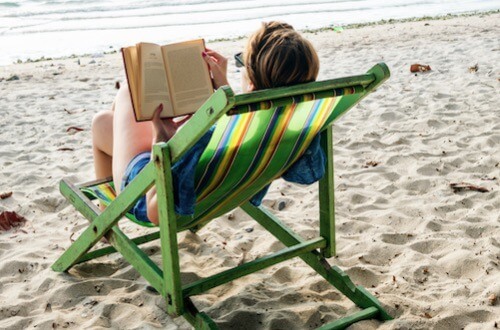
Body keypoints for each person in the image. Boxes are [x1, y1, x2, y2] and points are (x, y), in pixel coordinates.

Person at [91, 21, 325, 225]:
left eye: (241, 64)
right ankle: (105, 215)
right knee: (106, 121)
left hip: (145, 190)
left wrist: (160, 142)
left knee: (122, 97)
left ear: (251, 82)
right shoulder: (299, 127)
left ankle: (106, 218)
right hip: (215, 194)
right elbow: (306, 174)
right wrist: (225, 95)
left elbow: (156, 212)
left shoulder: (214, 136)